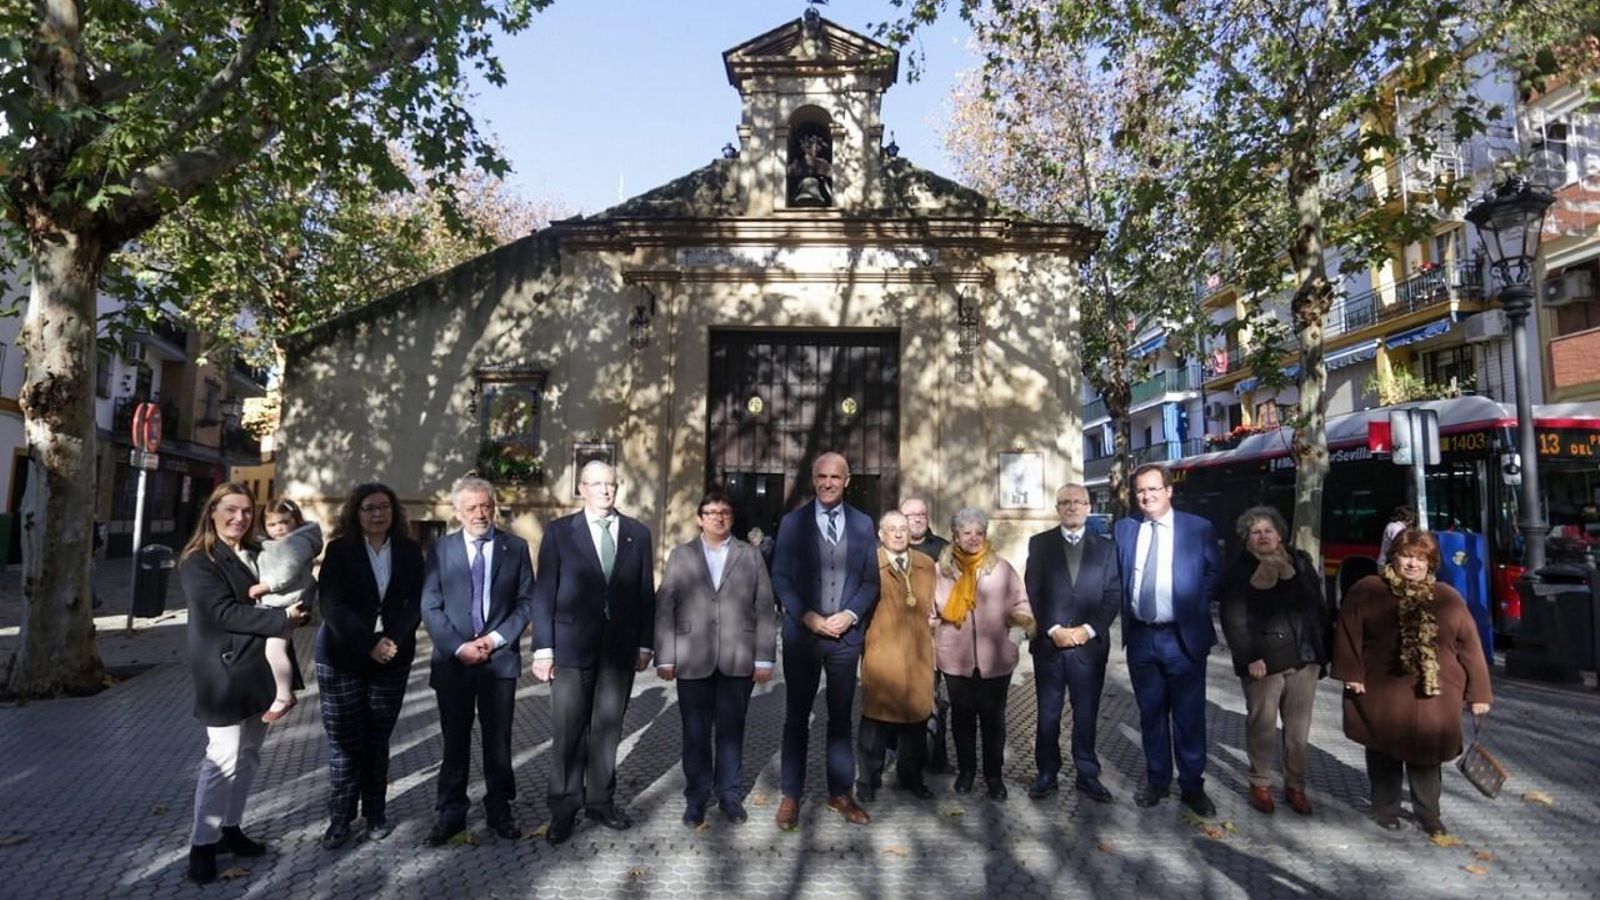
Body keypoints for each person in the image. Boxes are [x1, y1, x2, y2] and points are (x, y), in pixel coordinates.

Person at [179, 483, 309, 884]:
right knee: (222, 758)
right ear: (212, 511)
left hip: (258, 670)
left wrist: (299, 605)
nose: (240, 518)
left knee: (249, 755)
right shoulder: (198, 561)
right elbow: (222, 612)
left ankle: (230, 830)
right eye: (231, 510)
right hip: (222, 673)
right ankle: (202, 846)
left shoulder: (254, 552)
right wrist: (281, 620)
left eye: (247, 511)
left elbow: (287, 581)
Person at [1334, 529, 1493, 836]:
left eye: (1421, 559)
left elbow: (1470, 646)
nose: (1412, 564)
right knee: (1383, 750)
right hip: (1383, 689)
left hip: (1434, 694)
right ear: (1394, 557)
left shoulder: (1447, 596)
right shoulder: (1368, 590)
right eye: (1407, 556)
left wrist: (1479, 693)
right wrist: (1351, 673)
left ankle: (1429, 814)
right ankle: (1386, 809)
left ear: (1430, 563)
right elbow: (1347, 632)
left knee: (1427, 755)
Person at [531, 460, 656, 844]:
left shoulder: (637, 533)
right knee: (568, 730)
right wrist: (543, 649)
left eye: (611, 484)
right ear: (581, 488)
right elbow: (544, 592)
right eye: (597, 484)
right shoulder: (559, 533)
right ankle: (564, 808)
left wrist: (645, 642)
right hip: (570, 648)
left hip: (619, 650)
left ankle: (600, 801)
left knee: (607, 729)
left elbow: (644, 593)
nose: (605, 490)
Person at [420, 476, 536, 846]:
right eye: (471, 508)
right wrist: (459, 647)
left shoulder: (514, 547)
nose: (480, 514)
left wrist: (495, 639)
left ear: (495, 507)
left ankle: (499, 807)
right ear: (457, 513)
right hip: (453, 662)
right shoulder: (440, 550)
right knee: (454, 741)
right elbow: (430, 605)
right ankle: (451, 812)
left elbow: (526, 601)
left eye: (486, 506)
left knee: (498, 741)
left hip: (498, 661)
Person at [770, 452, 880, 829]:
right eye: (822, 476)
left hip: (845, 638)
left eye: (836, 476)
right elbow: (781, 577)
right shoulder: (792, 523)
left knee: (840, 717)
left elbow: (870, 581)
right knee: (796, 717)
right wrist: (810, 617)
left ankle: (839, 792)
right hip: (803, 635)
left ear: (847, 480)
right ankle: (790, 795)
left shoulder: (865, 525)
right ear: (813, 479)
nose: (828, 482)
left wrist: (848, 616)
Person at [655, 491, 778, 828]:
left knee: (731, 732)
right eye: (710, 512)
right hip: (692, 658)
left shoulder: (750, 556)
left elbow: (765, 607)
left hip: (737, 658)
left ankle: (729, 795)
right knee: (694, 733)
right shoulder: (681, 555)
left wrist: (765, 658)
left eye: (724, 512)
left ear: (732, 518)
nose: (718, 518)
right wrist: (664, 656)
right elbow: (666, 604)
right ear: (699, 518)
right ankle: (696, 797)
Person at [312, 484, 424, 848]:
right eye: (369, 508)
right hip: (343, 658)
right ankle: (340, 819)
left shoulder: (408, 550)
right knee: (345, 744)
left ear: (394, 512)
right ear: (355, 513)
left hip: (391, 657)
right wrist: (369, 643)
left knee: (377, 741)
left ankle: (375, 813)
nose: (378, 514)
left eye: (384, 507)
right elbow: (331, 606)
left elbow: (417, 601)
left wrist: (392, 639)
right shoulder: (340, 551)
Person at [1115, 463, 1222, 817]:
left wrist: (1190, 603)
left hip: (1182, 638)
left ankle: (1192, 786)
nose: (1146, 496)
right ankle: (1157, 781)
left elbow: (1214, 572)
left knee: (1189, 717)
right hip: (1142, 638)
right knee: (1151, 715)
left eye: (1153, 489)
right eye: (1140, 491)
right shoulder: (1125, 530)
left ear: (1169, 490)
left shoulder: (1197, 528)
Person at [1218, 506, 1330, 816]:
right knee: (1262, 724)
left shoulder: (1301, 563)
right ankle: (1260, 783)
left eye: (1269, 530)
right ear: (1247, 539)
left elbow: (1318, 608)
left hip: (1305, 658)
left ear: (1280, 534)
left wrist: (1324, 652)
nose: (1263, 536)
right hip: (1263, 662)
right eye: (1256, 532)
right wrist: (1249, 656)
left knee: (1298, 729)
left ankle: (1295, 786)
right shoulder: (1238, 570)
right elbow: (1234, 618)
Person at [1024, 483, 1121, 803]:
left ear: (1089, 507)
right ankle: (1047, 772)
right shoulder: (1040, 544)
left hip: (1089, 648)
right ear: (1057, 508)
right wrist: (1053, 629)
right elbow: (1034, 589)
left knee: (1086, 712)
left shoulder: (1107, 548)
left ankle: (1087, 773)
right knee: (1048, 712)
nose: (1072, 507)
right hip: (1051, 646)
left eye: (1078, 502)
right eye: (1065, 502)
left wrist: (1089, 630)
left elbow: (1112, 594)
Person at [932, 507, 1033, 801]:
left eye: (979, 532)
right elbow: (930, 612)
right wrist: (934, 637)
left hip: (996, 658)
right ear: (955, 536)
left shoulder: (1001, 568)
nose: (974, 538)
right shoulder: (942, 571)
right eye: (967, 533)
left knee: (993, 720)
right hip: (955, 657)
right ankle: (966, 772)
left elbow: (1021, 606)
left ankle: (993, 775)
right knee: (962, 719)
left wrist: (1013, 640)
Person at [856, 510, 938, 802]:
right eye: (892, 529)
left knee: (916, 721)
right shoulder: (868, 565)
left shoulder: (927, 564)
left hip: (918, 655)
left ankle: (911, 777)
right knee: (875, 724)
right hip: (882, 653)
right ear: (881, 534)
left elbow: (937, 603)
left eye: (903, 528)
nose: (899, 534)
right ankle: (867, 780)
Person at [256, 498, 323, 723]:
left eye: (284, 522)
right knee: (271, 649)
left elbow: (289, 569)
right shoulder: (276, 542)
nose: (279, 529)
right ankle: (280, 691)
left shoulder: (298, 542)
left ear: (296, 520)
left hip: (287, 603)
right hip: (275, 602)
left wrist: (265, 586)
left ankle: (284, 695)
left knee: (274, 650)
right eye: (272, 525)